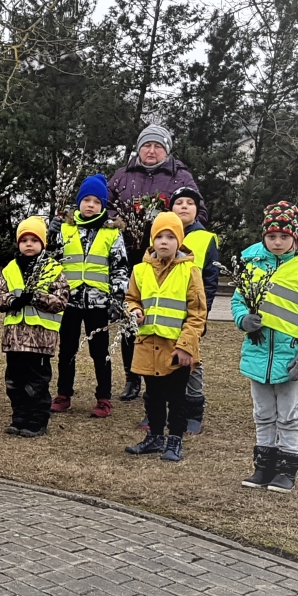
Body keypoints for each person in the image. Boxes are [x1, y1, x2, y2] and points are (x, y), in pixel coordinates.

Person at [232, 203, 298, 493]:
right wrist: (243, 319)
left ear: (294, 238)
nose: (277, 242)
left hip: (291, 355)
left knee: (289, 415)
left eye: (284, 237)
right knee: (262, 413)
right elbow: (238, 299)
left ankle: (287, 468)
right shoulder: (251, 264)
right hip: (258, 354)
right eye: (271, 236)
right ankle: (263, 466)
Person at [108, 125, 207, 402]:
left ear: (167, 150)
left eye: (158, 146)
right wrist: (121, 222)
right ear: (139, 148)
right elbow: (107, 205)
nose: (151, 151)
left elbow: (198, 211)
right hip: (131, 256)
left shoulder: (181, 176)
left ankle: (167, 374)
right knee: (133, 317)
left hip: (170, 259)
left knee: (165, 319)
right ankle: (132, 376)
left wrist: (169, 230)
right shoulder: (123, 175)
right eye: (146, 145)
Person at [123, 212, 206, 461]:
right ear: (153, 240)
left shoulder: (190, 271)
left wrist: (186, 346)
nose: (164, 242)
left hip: (176, 348)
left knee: (177, 397)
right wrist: (134, 310)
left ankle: (175, 440)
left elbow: (197, 313)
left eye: (170, 237)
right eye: (159, 236)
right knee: (153, 396)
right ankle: (155, 437)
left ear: (179, 240)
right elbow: (131, 298)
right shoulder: (140, 270)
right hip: (148, 344)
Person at [49, 174, 129, 418]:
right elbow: (50, 261)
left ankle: (103, 397)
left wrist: (117, 299)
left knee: (100, 352)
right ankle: (63, 394)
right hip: (69, 301)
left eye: (96, 201)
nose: (91, 205)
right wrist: (50, 235)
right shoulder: (65, 228)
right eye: (86, 200)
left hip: (99, 303)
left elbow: (120, 268)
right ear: (79, 203)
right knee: (67, 350)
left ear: (103, 205)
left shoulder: (112, 233)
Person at [0, 217, 70, 437]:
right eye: (24, 240)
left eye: (34, 240)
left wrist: (36, 298)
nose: (29, 244)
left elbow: (61, 300)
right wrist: (12, 301)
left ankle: (37, 421)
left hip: (40, 340)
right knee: (14, 382)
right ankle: (19, 417)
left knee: (37, 383)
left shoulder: (52, 269)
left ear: (43, 244)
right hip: (14, 340)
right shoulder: (10, 269)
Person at [170, 186, 219, 435]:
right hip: (163, 314)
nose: (184, 207)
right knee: (160, 360)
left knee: (191, 363)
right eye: (179, 203)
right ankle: (161, 408)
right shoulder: (160, 234)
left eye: (190, 203)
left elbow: (211, 280)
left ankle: (193, 412)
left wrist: (202, 315)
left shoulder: (206, 239)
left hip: (191, 315)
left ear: (197, 209)